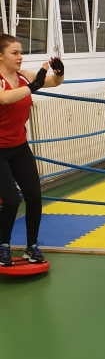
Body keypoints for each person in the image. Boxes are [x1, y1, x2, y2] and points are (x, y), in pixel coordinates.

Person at [0, 34, 64, 266]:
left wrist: (59, 72)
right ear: (0, 56)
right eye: (14, 53)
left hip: (19, 146)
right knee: (11, 200)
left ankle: (32, 246)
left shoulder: (22, 75)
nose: (20, 56)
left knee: (34, 196)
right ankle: (3, 246)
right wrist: (33, 86)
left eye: (21, 52)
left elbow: (52, 83)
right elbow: (4, 99)